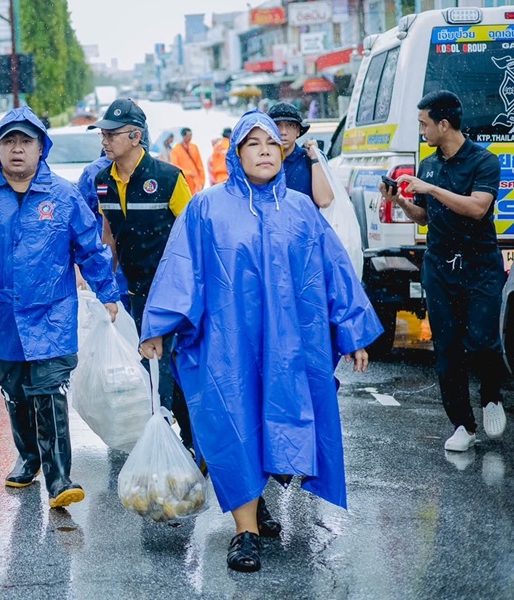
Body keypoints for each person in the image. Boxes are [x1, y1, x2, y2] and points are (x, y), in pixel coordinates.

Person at [139, 111, 382, 572]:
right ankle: (244, 532)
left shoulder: (300, 208)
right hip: (227, 346)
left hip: (292, 346)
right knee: (234, 426)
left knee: (278, 422)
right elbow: (180, 267)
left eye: (271, 143)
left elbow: (334, 272)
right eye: (253, 144)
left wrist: (352, 332)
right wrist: (158, 327)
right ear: (236, 154)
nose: (265, 151)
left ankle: (259, 504)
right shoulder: (207, 208)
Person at [0, 107, 118, 508]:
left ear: (40, 148)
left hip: (53, 312)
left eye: (25, 142)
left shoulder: (63, 196)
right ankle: (29, 457)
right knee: (15, 390)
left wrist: (109, 294)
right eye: (9, 141)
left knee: (48, 390)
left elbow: (91, 249)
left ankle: (59, 477)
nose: (17, 150)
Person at [382, 90, 507, 452]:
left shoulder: (483, 162)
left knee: (482, 339)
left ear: (444, 123)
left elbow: (477, 209)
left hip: (479, 265)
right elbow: (424, 216)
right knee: (447, 349)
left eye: (424, 123)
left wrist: (432, 189)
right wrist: (401, 201)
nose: (421, 130)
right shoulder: (429, 163)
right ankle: (463, 426)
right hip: (439, 266)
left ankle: (491, 395)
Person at [90, 98, 194, 448]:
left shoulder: (168, 178)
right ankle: (178, 436)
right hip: (135, 291)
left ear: (135, 136)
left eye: (111, 134)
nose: (104, 140)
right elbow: (110, 235)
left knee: (167, 363)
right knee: (152, 363)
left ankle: (178, 438)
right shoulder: (103, 180)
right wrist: (102, 287)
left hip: (173, 290)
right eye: (102, 133)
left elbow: (193, 235)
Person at [267, 102, 334, 209]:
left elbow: (324, 201)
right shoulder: (263, 160)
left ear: (298, 131)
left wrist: (315, 159)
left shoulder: (309, 158)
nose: (283, 132)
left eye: (290, 125)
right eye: (278, 125)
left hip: (305, 224)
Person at [170, 127, 205, 195]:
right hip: (184, 181)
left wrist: (202, 180)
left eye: (191, 135)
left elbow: (199, 165)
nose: (190, 137)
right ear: (183, 136)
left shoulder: (194, 147)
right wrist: (188, 172)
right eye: (188, 135)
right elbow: (175, 166)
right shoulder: (176, 149)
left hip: (195, 181)